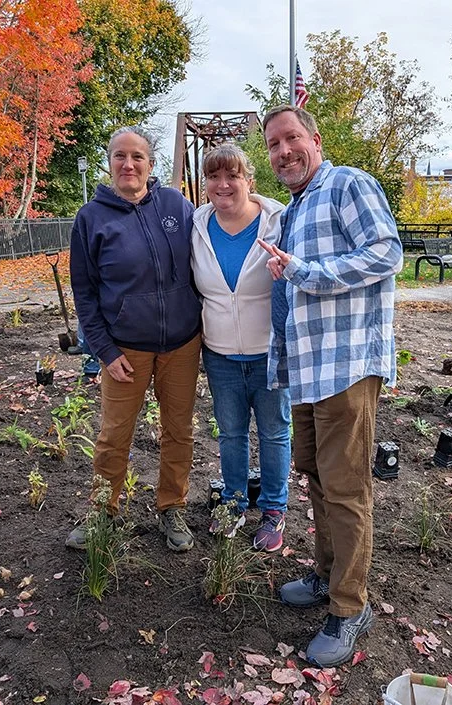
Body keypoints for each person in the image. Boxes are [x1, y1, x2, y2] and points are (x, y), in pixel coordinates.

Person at [256, 105, 403, 667]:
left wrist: (306, 273)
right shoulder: (295, 208)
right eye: (273, 145)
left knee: (345, 487)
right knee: (317, 475)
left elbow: (386, 252)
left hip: (345, 367)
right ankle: (326, 574)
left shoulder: (346, 184)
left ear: (315, 140)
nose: (283, 151)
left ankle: (349, 606)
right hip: (308, 369)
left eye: (291, 138)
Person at [67, 125, 202, 553]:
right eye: (120, 156)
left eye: (137, 156)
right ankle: (102, 510)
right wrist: (105, 351)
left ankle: (172, 506)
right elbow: (85, 294)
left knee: (178, 430)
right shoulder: (91, 219)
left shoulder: (177, 206)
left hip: (181, 343)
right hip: (125, 349)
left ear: (150, 163)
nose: (128, 164)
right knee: (114, 432)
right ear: (110, 163)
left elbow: (217, 237)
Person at [190, 144, 292, 552]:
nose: (223, 185)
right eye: (214, 176)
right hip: (220, 355)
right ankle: (233, 503)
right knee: (231, 433)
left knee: (273, 432)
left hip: (269, 352)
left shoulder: (279, 222)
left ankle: (273, 509)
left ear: (250, 180)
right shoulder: (196, 226)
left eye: (232, 176)